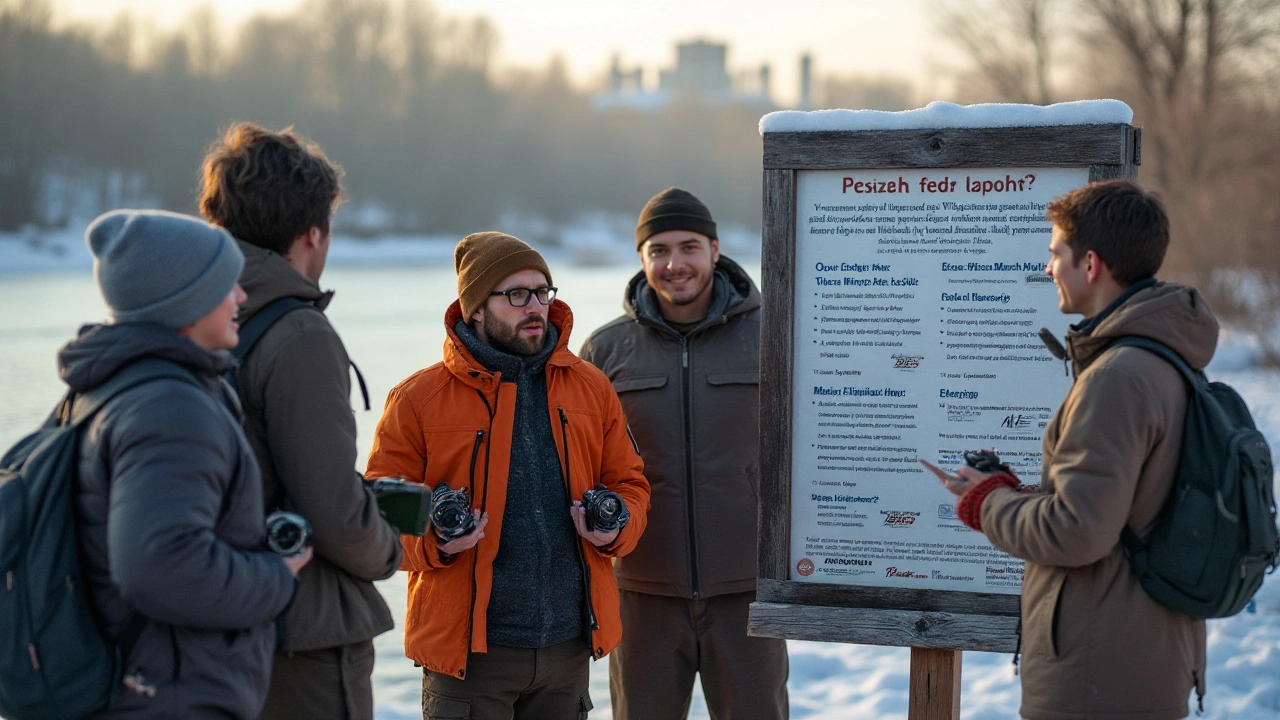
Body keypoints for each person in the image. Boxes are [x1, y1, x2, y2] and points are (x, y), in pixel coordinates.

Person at [925, 179, 1212, 719]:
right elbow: (1123, 506)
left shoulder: (1117, 378)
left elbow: (1077, 531)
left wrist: (986, 502)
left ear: (1091, 264)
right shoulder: (1164, 358)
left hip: (1098, 674)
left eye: (1056, 253)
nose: (1049, 267)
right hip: (1141, 653)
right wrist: (1020, 493)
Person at [365, 232, 650, 719]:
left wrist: (615, 527)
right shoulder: (416, 399)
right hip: (470, 658)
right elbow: (377, 520)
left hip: (568, 650)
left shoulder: (590, 387)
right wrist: (437, 541)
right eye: (517, 294)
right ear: (476, 307)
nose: (534, 306)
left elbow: (632, 484)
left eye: (543, 291)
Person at [67, 209, 311, 718]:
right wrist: (276, 576)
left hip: (128, 687)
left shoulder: (103, 389)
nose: (241, 296)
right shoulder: (170, 407)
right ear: (186, 300)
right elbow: (161, 566)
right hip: (169, 698)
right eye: (227, 285)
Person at [198, 122, 402, 720]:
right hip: (299, 638)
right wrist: (388, 547)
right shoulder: (300, 333)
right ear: (313, 232)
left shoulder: (184, 310)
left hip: (206, 622)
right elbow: (332, 511)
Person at [580, 187, 789, 720]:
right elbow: (579, 467)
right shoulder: (603, 351)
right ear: (642, 259)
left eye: (689, 247)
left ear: (716, 250)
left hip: (748, 592)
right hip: (641, 592)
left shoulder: (774, 335)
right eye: (659, 250)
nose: (676, 264)